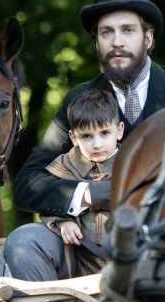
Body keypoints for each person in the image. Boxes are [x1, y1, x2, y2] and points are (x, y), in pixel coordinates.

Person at [6, 0, 165, 280]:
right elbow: (27, 183)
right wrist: (87, 194)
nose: (117, 42)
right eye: (106, 32)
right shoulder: (79, 100)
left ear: (148, 38)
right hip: (88, 247)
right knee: (22, 243)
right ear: (96, 43)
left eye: (128, 30)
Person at [32, 89, 123, 278]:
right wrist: (62, 221)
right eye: (87, 136)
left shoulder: (133, 163)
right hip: (81, 258)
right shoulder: (65, 166)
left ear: (119, 130)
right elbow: (50, 200)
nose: (97, 144)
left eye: (105, 133)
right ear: (73, 137)